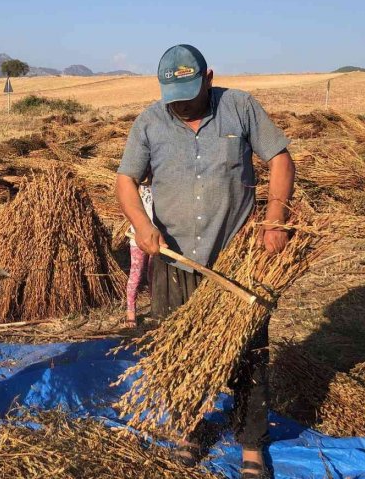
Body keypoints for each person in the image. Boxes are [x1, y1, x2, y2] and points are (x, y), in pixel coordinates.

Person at [115, 44, 295, 479]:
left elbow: (280, 160)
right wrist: (141, 223)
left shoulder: (240, 107)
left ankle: (251, 444)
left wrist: (275, 220)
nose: (181, 104)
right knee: (174, 348)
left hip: (235, 261)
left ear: (209, 78)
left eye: (190, 93)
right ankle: (187, 429)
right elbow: (125, 180)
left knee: (250, 353)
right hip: (174, 261)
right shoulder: (150, 121)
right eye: (173, 94)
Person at [125, 180, 153, 327]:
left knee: (153, 274)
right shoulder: (137, 188)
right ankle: (131, 311)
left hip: (156, 239)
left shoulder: (161, 185)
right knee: (136, 275)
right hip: (138, 238)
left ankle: (154, 305)